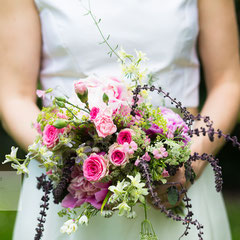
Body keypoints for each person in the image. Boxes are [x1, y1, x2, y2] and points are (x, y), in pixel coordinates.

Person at [0, 0, 240, 239]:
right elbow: (13, 96)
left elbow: (229, 83)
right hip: (69, 186)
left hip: (178, 178)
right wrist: (71, 161)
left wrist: (191, 162)